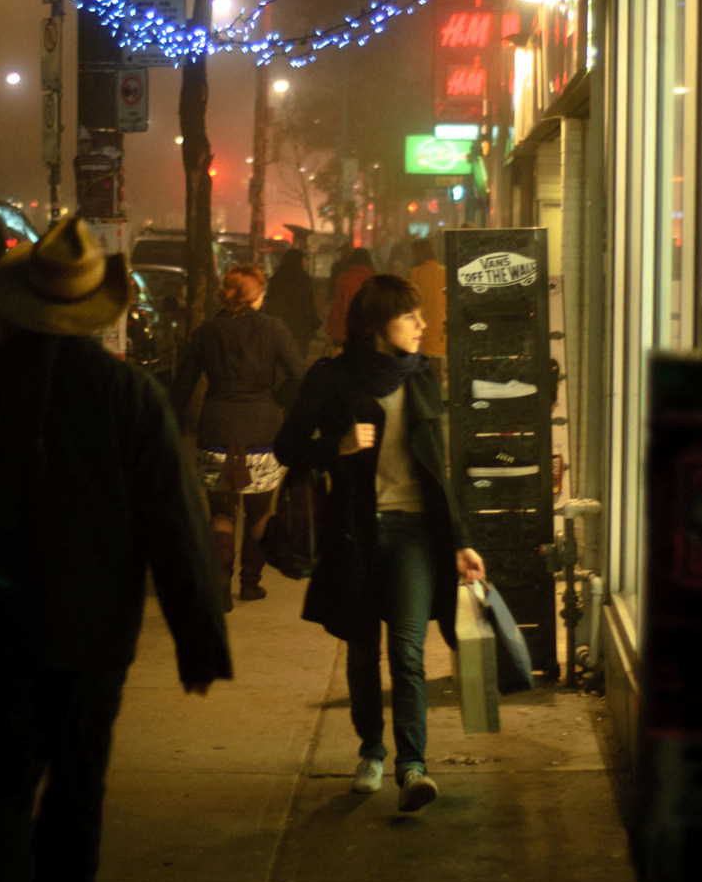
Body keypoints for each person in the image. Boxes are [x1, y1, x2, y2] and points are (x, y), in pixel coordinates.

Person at [0, 215, 232, 882]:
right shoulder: (129, 396)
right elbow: (173, 524)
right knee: (79, 784)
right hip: (91, 633)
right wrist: (198, 635)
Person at [274, 273, 485, 814]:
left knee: (407, 652)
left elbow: (439, 470)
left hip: (415, 532)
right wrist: (336, 446)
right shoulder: (334, 379)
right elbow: (288, 447)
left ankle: (413, 766)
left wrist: (460, 541)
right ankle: (371, 748)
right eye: (409, 315)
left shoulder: (421, 378)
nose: (422, 324)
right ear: (375, 324)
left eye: (420, 316)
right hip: (357, 533)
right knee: (364, 650)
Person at [171, 264, 306, 611]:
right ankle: (250, 583)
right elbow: (298, 375)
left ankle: (219, 585)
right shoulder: (274, 329)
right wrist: (278, 401)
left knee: (222, 512)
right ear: (256, 294)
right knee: (260, 512)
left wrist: (169, 423)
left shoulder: (206, 332)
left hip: (216, 429)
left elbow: (183, 385)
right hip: (262, 430)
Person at [263, 246, 320, 360]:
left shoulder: (276, 279)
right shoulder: (304, 280)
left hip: (279, 327)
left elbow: (270, 304)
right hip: (300, 330)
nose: (305, 264)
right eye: (304, 261)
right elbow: (308, 305)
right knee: (298, 361)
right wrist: (314, 322)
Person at [407, 235, 448, 383]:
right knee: (436, 365)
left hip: (418, 325)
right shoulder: (444, 272)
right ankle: (436, 395)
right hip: (440, 324)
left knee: (419, 366)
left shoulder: (413, 273)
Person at [325, 246, 374, 347]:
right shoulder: (374, 280)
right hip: (366, 332)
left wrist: (330, 329)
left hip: (344, 331)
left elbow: (337, 307)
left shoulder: (343, 278)